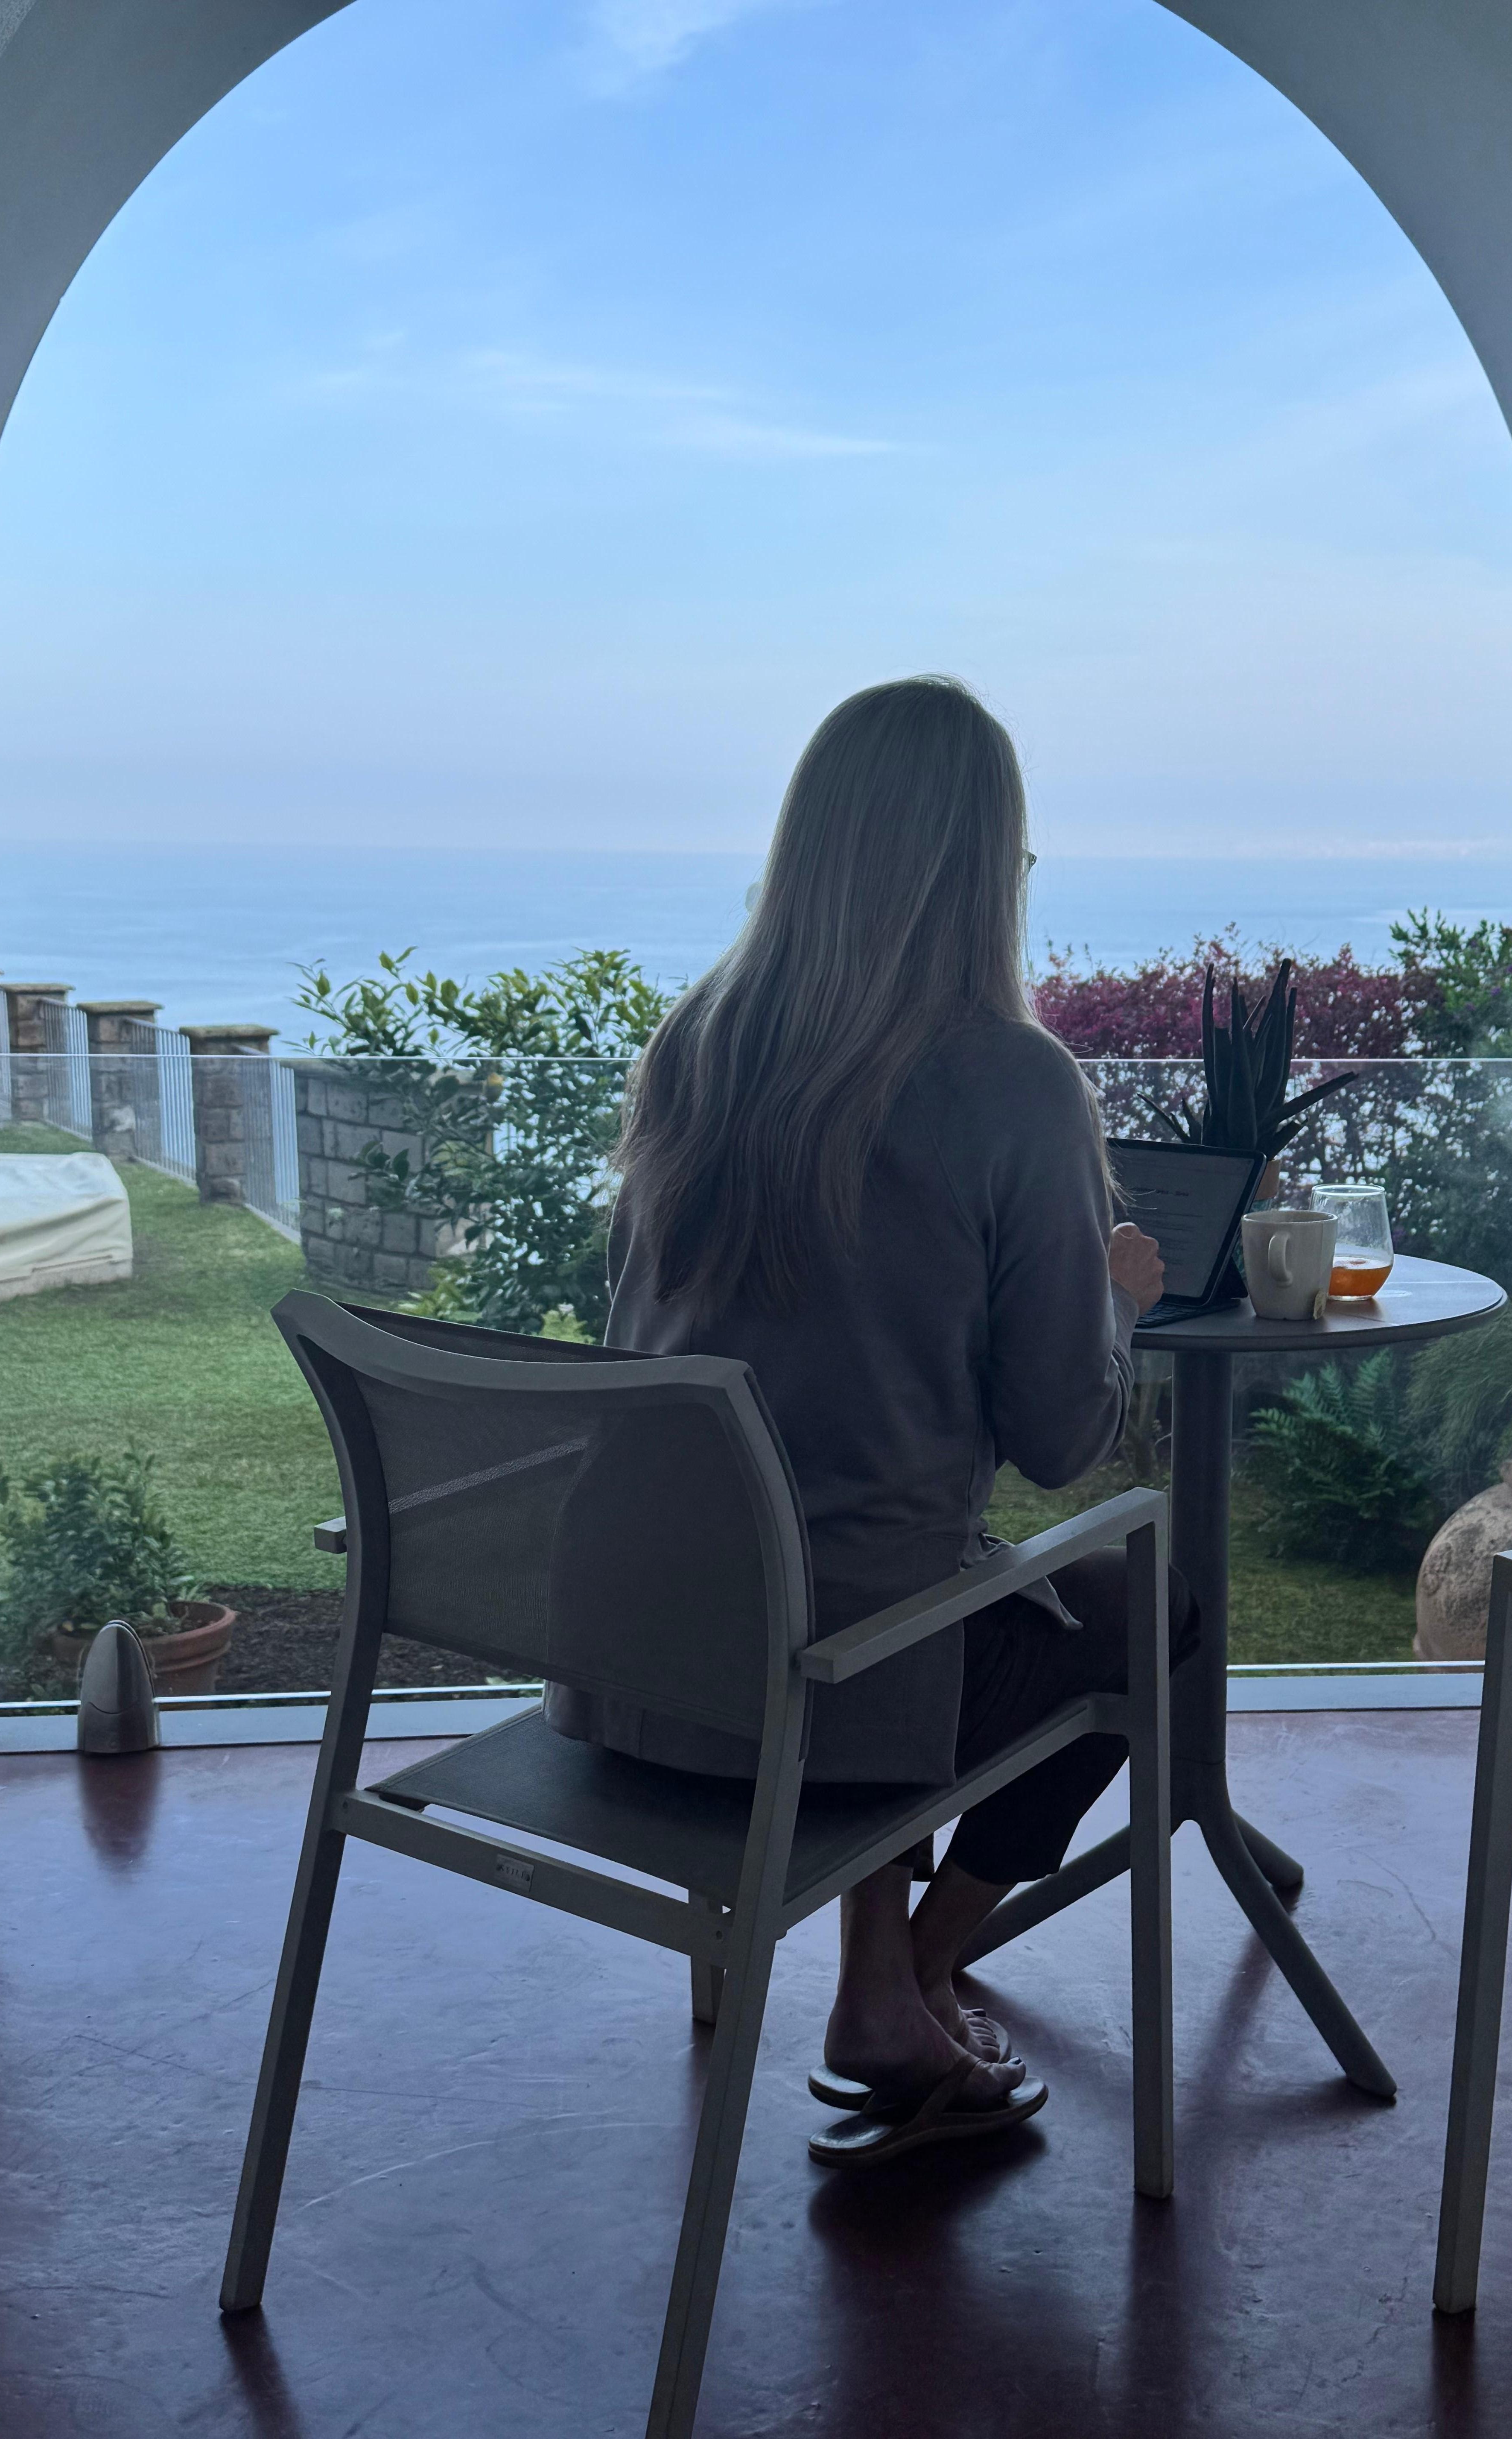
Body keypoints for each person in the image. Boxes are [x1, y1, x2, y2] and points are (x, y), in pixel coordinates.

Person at [546, 674, 1197, 2162]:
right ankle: (908, 1974)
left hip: (626, 1668)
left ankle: (885, 1981)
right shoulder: (1010, 1080)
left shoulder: (695, 1043)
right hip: (817, 1695)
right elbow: (1060, 1442)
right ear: (985, 868)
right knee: (1137, 1606)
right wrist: (1118, 1301)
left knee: (886, 1551)